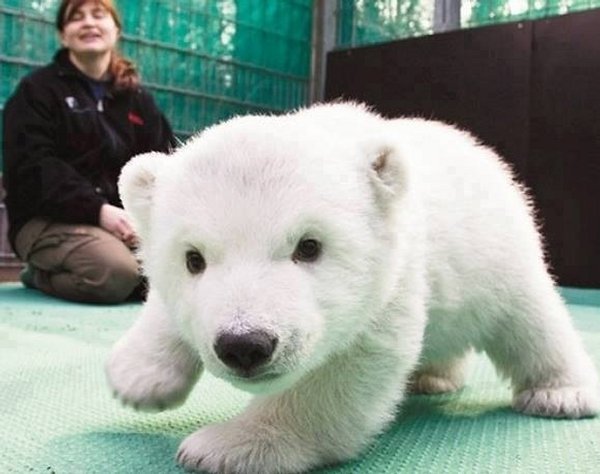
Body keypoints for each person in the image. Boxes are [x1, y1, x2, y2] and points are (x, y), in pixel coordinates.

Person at [2, 0, 175, 303]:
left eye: (99, 15)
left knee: (164, 276)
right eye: (76, 18)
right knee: (117, 274)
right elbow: (34, 168)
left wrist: (146, 219)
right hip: (46, 218)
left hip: (121, 224)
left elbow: (164, 162)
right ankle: (39, 275)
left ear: (116, 30)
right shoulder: (37, 91)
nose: (89, 23)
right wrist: (99, 211)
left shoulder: (137, 99)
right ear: (62, 35)